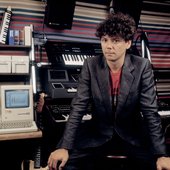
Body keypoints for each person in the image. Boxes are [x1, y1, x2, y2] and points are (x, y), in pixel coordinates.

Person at [47, 12, 170, 170]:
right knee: (63, 164)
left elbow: (150, 112)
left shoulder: (142, 66)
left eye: (115, 41)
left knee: (159, 166)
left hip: (132, 135)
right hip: (97, 134)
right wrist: (64, 146)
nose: (109, 46)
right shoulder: (91, 65)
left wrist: (161, 154)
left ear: (127, 43)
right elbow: (78, 108)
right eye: (104, 40)